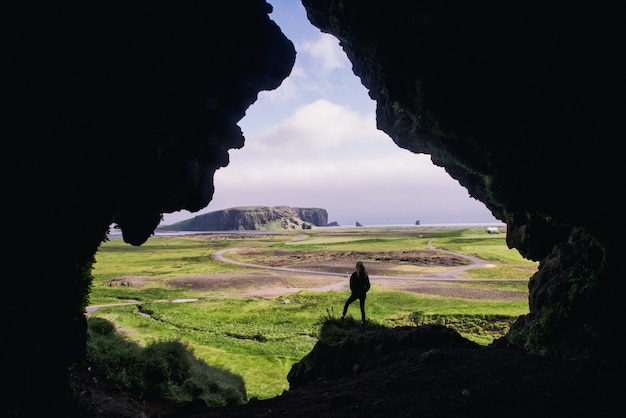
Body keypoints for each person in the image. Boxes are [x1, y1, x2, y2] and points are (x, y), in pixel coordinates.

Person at [340, 261, 371, 331]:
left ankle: (342, 317)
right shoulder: (365, 274)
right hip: (362, 293)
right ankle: (363, 324)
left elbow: (351, 284)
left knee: (347, 303)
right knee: (362, 309)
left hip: (356, 293)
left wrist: (353, 291)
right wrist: (365, 290)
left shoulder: (355, 274)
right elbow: (368, 285)